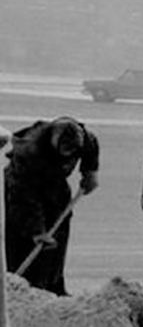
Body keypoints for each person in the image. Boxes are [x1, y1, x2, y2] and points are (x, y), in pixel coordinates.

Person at [4, 116, 99, 296]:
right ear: (53, 143)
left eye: (73, 151)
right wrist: (37, 231)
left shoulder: (83, 139)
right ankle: (23, 289)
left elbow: (91, 145)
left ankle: (54, 286)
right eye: (65, 150)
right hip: (20, 193)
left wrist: (90, 172)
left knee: (57, 239)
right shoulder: (29, 151)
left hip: (55, 187)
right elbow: (24, 198)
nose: (70, 155)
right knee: (23, 242)